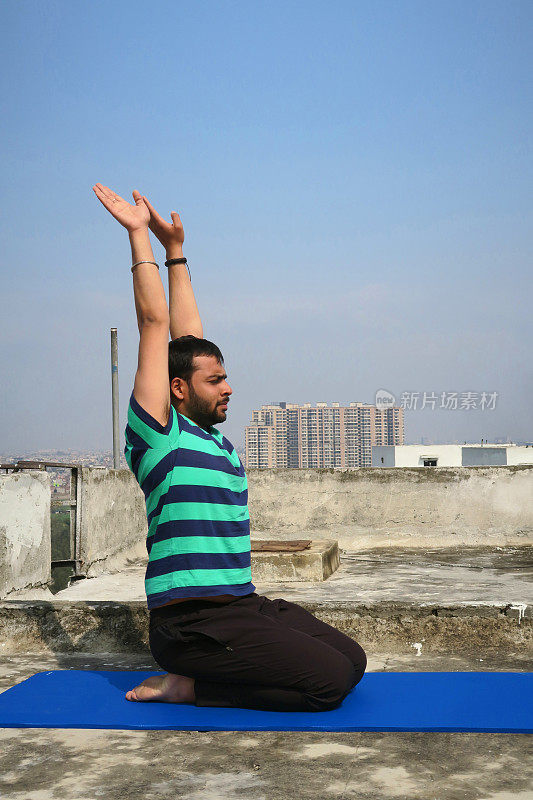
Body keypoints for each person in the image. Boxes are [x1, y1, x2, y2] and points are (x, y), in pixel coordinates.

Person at [92, 183, 367, 711]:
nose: (228, 387)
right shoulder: (158, 439)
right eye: (215, 381)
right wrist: (138, 238)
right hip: (191, 622)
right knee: (328, 684)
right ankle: (189, 686)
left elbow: (188, 342)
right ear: (178, 389)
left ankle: (212, 672)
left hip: (243, 605)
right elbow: (155, 325)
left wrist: (175, 250)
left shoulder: (208, 436)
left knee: (351, 660)